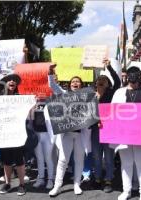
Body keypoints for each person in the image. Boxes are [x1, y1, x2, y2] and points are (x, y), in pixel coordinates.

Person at [47, 64, 92, 197]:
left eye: (78, 81)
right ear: (70, 85)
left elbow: (92, 113)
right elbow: (53, 86)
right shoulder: (64, 94)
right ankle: (57, 186)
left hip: (80, 135)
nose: (75, 83)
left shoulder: (87, 97)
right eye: (73, 81)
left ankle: (77, 184)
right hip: (66, 134)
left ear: (81, 85)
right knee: (63, 160)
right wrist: (50, 73)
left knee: (79, 160)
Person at [111, 66, 141, 200]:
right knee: (126, 163)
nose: (133, 79)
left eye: (136, 76)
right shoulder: (119, 92)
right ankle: (126, 191)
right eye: (131, 76)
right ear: (127, 77)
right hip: (124, 134)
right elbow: (112, 110)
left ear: (140, 77)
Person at [91, 59, 121, 193]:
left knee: (109, 157)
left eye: (105, 80)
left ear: (108, 84)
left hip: (109, 130)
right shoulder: (91, 96)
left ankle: (108, 179)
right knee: (97, 157)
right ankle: (97, 178)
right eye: (99, 80)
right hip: (95, 131)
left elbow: (118, 81)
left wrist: (108, 67)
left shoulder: (111, 94)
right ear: (96, 83)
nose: (102, 81)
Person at [0, 74, 27, 196]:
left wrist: (32, 103)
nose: (12, 82)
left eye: (14, 80)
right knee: (6, 160)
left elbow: (28, 111)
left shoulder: (20, 97)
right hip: (3, 133)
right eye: (9, 80)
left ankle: (21, 184)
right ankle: (8, 183)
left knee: (19, 160)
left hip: (17, 133)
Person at [32, 99, 55, 190]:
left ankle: (50, 179)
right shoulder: (32, 101)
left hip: (48, 134)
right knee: (39, 158)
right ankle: (41, 178)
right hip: (36, 133)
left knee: (48, 157)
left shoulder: (50, 101)